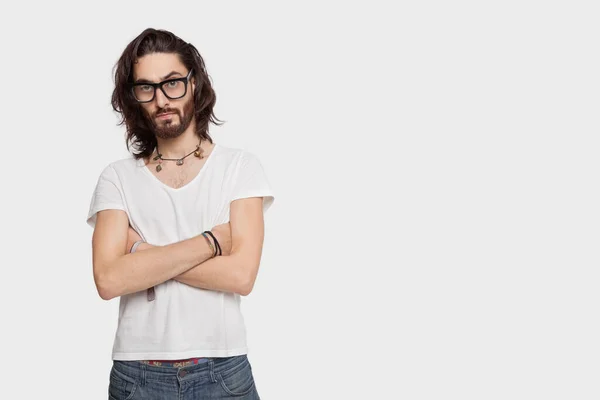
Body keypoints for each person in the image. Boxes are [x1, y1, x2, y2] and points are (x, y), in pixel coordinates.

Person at [86, 28, 274, 399]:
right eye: (146, 88)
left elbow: (240, 276)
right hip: (137, 376)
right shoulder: (117, 178)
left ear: (194, 84)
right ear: (133, 97)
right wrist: (212, 241)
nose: (161, 99)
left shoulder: (240, 168)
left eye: (172, 83)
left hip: (223, 371)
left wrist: (141, 256)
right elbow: (108, 280)